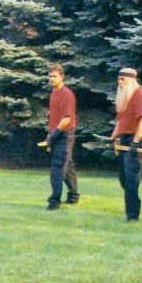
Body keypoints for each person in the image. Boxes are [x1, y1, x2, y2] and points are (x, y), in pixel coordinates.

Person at [110, 68, 142, 221]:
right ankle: (131, 210)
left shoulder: (141, 96)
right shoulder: (124, 99)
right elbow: (120, 122)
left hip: (135, 140)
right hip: (124, 139)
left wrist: (135, 141)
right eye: (118, 79)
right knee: (123, 178)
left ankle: (132, 215)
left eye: (123, 80)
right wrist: (113, 138)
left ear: (132, 80)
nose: (120, 83)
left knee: (131, 179)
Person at [45, 64, 79, 210]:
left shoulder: (67, 94)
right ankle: (74, 195)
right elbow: (54, 118)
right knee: (68, 166)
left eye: (55, 76)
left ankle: (54, 201)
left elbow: (66, 119)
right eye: (50, 76)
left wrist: (54, 135)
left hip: (64, 134)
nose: (51, 79)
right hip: (56, 133)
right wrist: (50, 134)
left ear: (62, 77)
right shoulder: (54, 93)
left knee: (57, 167)